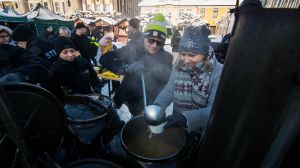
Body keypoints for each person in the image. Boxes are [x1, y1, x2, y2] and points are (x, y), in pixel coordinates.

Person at [148, 25, 223, 134]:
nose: (186, 60)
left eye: (192, 55)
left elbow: (214, 110)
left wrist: (186, 119)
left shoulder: (218, 72)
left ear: (204, 54)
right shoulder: (179, 65)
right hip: (178, 127)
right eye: (183, 54)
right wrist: (158, 106)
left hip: (203, 132)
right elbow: (169, 90)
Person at [100, 13, 173, 115]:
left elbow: (166, 85)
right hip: (129, 100)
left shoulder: (167, 58)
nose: (154, 45)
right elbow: (105, 59)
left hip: (151, 106)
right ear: (144, 38)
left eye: (159, 42)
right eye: (151, 40)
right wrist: (125, 68)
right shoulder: (133, 50)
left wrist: (154, 105)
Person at [44, 37, 103, 102]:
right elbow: (53, 92)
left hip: (89, 98)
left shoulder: (83, 62)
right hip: (70, 103)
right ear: (59, 53)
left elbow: (94, 76)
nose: (70, 55)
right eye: (65, 52)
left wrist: (97, 86)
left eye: (72, 51)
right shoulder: (54, 69)